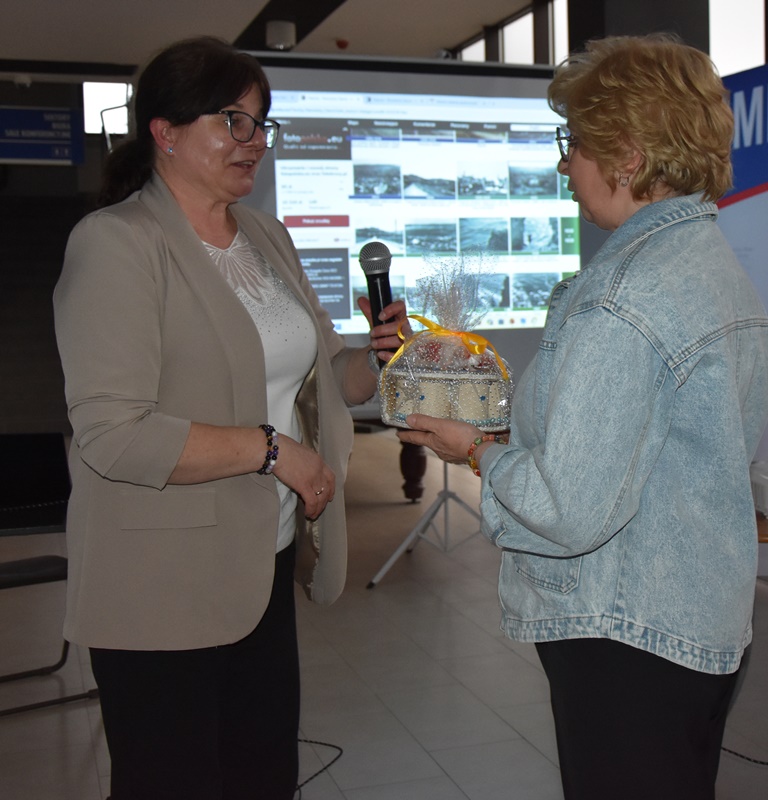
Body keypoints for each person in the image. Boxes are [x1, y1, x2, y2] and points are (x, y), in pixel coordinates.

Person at [398, 34, 768, 800]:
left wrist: (478, 452)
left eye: (575, 144)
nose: (564, 166)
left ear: (628, 155)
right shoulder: (710, 263)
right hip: (700, 625)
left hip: (629, 639)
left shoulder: (624, 298)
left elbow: (567, 508)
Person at [53, 36, 406, 800]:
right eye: (232, 121)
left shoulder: (266, 237)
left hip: (261, 562)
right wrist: (273, 452)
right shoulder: (117, 243)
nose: (254, 141)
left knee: (264, 777)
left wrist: (377, 358)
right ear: (165, 131)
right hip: (160, 583)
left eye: (261, 123)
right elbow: (113, 432)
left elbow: (325, 374)